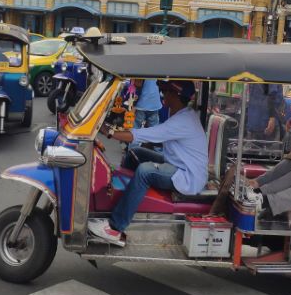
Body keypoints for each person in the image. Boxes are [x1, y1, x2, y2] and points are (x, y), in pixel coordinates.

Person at [88, 80, 207, 246]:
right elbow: (156, 138)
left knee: (145, 171)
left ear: (177, 96)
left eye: (167, 92)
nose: (163, 94)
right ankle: (124, 201)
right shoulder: (180, 114)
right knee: (135, 153)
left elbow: (147, 135)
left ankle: (115, 227)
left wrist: (110, 132)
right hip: (178, 163)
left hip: (187, 174)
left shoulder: (183, 120)